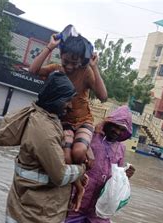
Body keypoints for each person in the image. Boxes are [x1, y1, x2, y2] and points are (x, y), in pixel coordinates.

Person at [0, 72, 87, 223]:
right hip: (35, 215)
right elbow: (59, 175)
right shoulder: (44, 130)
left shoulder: (44, 118)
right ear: (55, 98)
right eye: (66, 100)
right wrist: (81, 169)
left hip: (29, 206)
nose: (69, 106)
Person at [29, 33, 108, 210]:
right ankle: (78, 185)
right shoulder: (57, 69)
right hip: (63, 121)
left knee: (79, 153)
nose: (70, 66)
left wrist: (95, 68)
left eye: (75, 62)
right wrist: (50, 47)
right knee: (65, 158)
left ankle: (82, 173)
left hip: (83, 120)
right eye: (67, 61)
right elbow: (32, 71)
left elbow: (103, 96)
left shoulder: (86, 72)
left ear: (83, 60)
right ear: (61, 56)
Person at [56, 106, 136, 223]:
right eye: (115, 127)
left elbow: (116, 176)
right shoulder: (91, 137)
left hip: (98, 207)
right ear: (108, 123)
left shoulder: (121, 149)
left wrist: (125, 175)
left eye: (121, 129)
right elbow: (73, 157)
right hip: (78, 199)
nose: (117, 131)